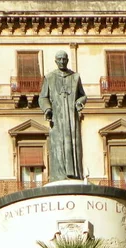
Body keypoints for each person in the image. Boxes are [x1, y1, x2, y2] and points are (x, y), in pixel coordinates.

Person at [39, 50, 87, 182]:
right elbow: (43, 97)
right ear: (55, 61)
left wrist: (79, 102)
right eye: (59, 59)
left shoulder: (75, 77)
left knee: (73, 144)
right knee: (57, 145)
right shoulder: (49, 77)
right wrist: (47, 109)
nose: (62, 61)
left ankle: (75, 174)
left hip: (72, 118)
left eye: (64, 59)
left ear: (67, 60)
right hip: (57, 117)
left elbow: (82, 95)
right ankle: (58, 176)